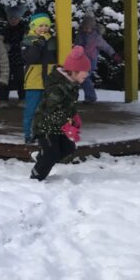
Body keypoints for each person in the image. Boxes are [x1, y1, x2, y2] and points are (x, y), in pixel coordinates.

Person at [30, 46, 91, 180]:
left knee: (68, 149)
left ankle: (41, 155)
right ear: (73, 71)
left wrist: (75, 116)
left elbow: (69, 105)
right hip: (45, 125)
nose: (86, 74)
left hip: (57, 124)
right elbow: (53, 110)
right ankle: (35, 178)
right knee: (51, 154)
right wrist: (67, 126)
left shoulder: (72, 84)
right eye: (84, 71)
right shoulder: (56, 87)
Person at [21, 13, 58, 143]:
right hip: (34, 81)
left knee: (49, 110)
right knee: (31, 110)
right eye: (40, 25)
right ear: (33, 26)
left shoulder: (52, 40)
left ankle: (45, 134)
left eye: (46, 25)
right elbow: (30, 58)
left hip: (49, 81)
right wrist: (39, 44)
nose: (44, 28)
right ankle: (28, 134)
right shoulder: (28, 41)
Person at [74, 14, 121, 103]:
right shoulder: (80, 35)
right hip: (80, 60)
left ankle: (91, 97)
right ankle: (87, 96)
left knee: (84, 78)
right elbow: (76, 45)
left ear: (92, 27)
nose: (86, 29)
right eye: (85, 27)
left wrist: (114, 54)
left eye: (89, 27)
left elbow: (106, 47)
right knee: (79, 78)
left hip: (90, 61)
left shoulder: (96, 37)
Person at [0, 5, 28, 104]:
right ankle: (3, 99)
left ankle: (22, 99)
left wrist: (17, 46)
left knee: (20, 80)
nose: (13, 20)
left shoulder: (23, 28)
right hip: (6, 59)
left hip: (19, 58)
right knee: (4, 80)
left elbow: (25, 42)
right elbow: (0, 41)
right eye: (11, 18)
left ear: (19, 18)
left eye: (15, 18)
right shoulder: (5, 29)